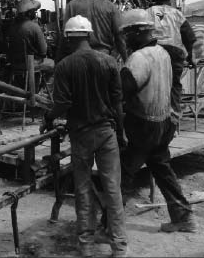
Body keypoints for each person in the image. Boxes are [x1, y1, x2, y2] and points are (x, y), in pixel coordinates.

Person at [40, 15, 127, 257]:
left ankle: (86, 243)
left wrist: (48, 117)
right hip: (107, 132)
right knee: (113, 188)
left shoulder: (65, 66)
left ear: (68, 38)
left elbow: (62, 104)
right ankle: (119, 245)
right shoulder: (109, 62)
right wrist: (121, 132)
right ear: (89, 35)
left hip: (81, 134)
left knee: (83, 187)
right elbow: (117, 102)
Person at [119, 8, 197, 233]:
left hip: (143, 126)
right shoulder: (162, 53)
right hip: (164, 122)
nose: (125, 38)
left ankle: (109, 227)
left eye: (127, 33)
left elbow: (124, 90)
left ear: (137, 32)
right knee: (161, 168)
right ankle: (183, 217)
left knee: (123, 173)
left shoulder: (139, 58)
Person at [56, 0, 127, 63]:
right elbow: (120, 38)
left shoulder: (72, 5)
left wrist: (58, 62)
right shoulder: (111, 7)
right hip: (103, 59)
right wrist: (126, 60)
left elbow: (64, 37)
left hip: (78, 60)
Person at [147, 0, 197, 120]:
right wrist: (191, 57)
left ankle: (154, 117)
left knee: (153, 85)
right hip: (175, 53)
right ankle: (174, 118)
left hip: (154, 52)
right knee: (174, 84)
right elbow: (189, 37)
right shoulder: (177, 13)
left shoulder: (149, 12)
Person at [7, 0, 54, 82]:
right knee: (52, 64)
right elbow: (43, 52)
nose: (34, 13)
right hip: (30, 64)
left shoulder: (11, 27)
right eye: (33, 11)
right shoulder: (34, 27)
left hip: (15, 64)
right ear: (28, 13)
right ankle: (41, 88)